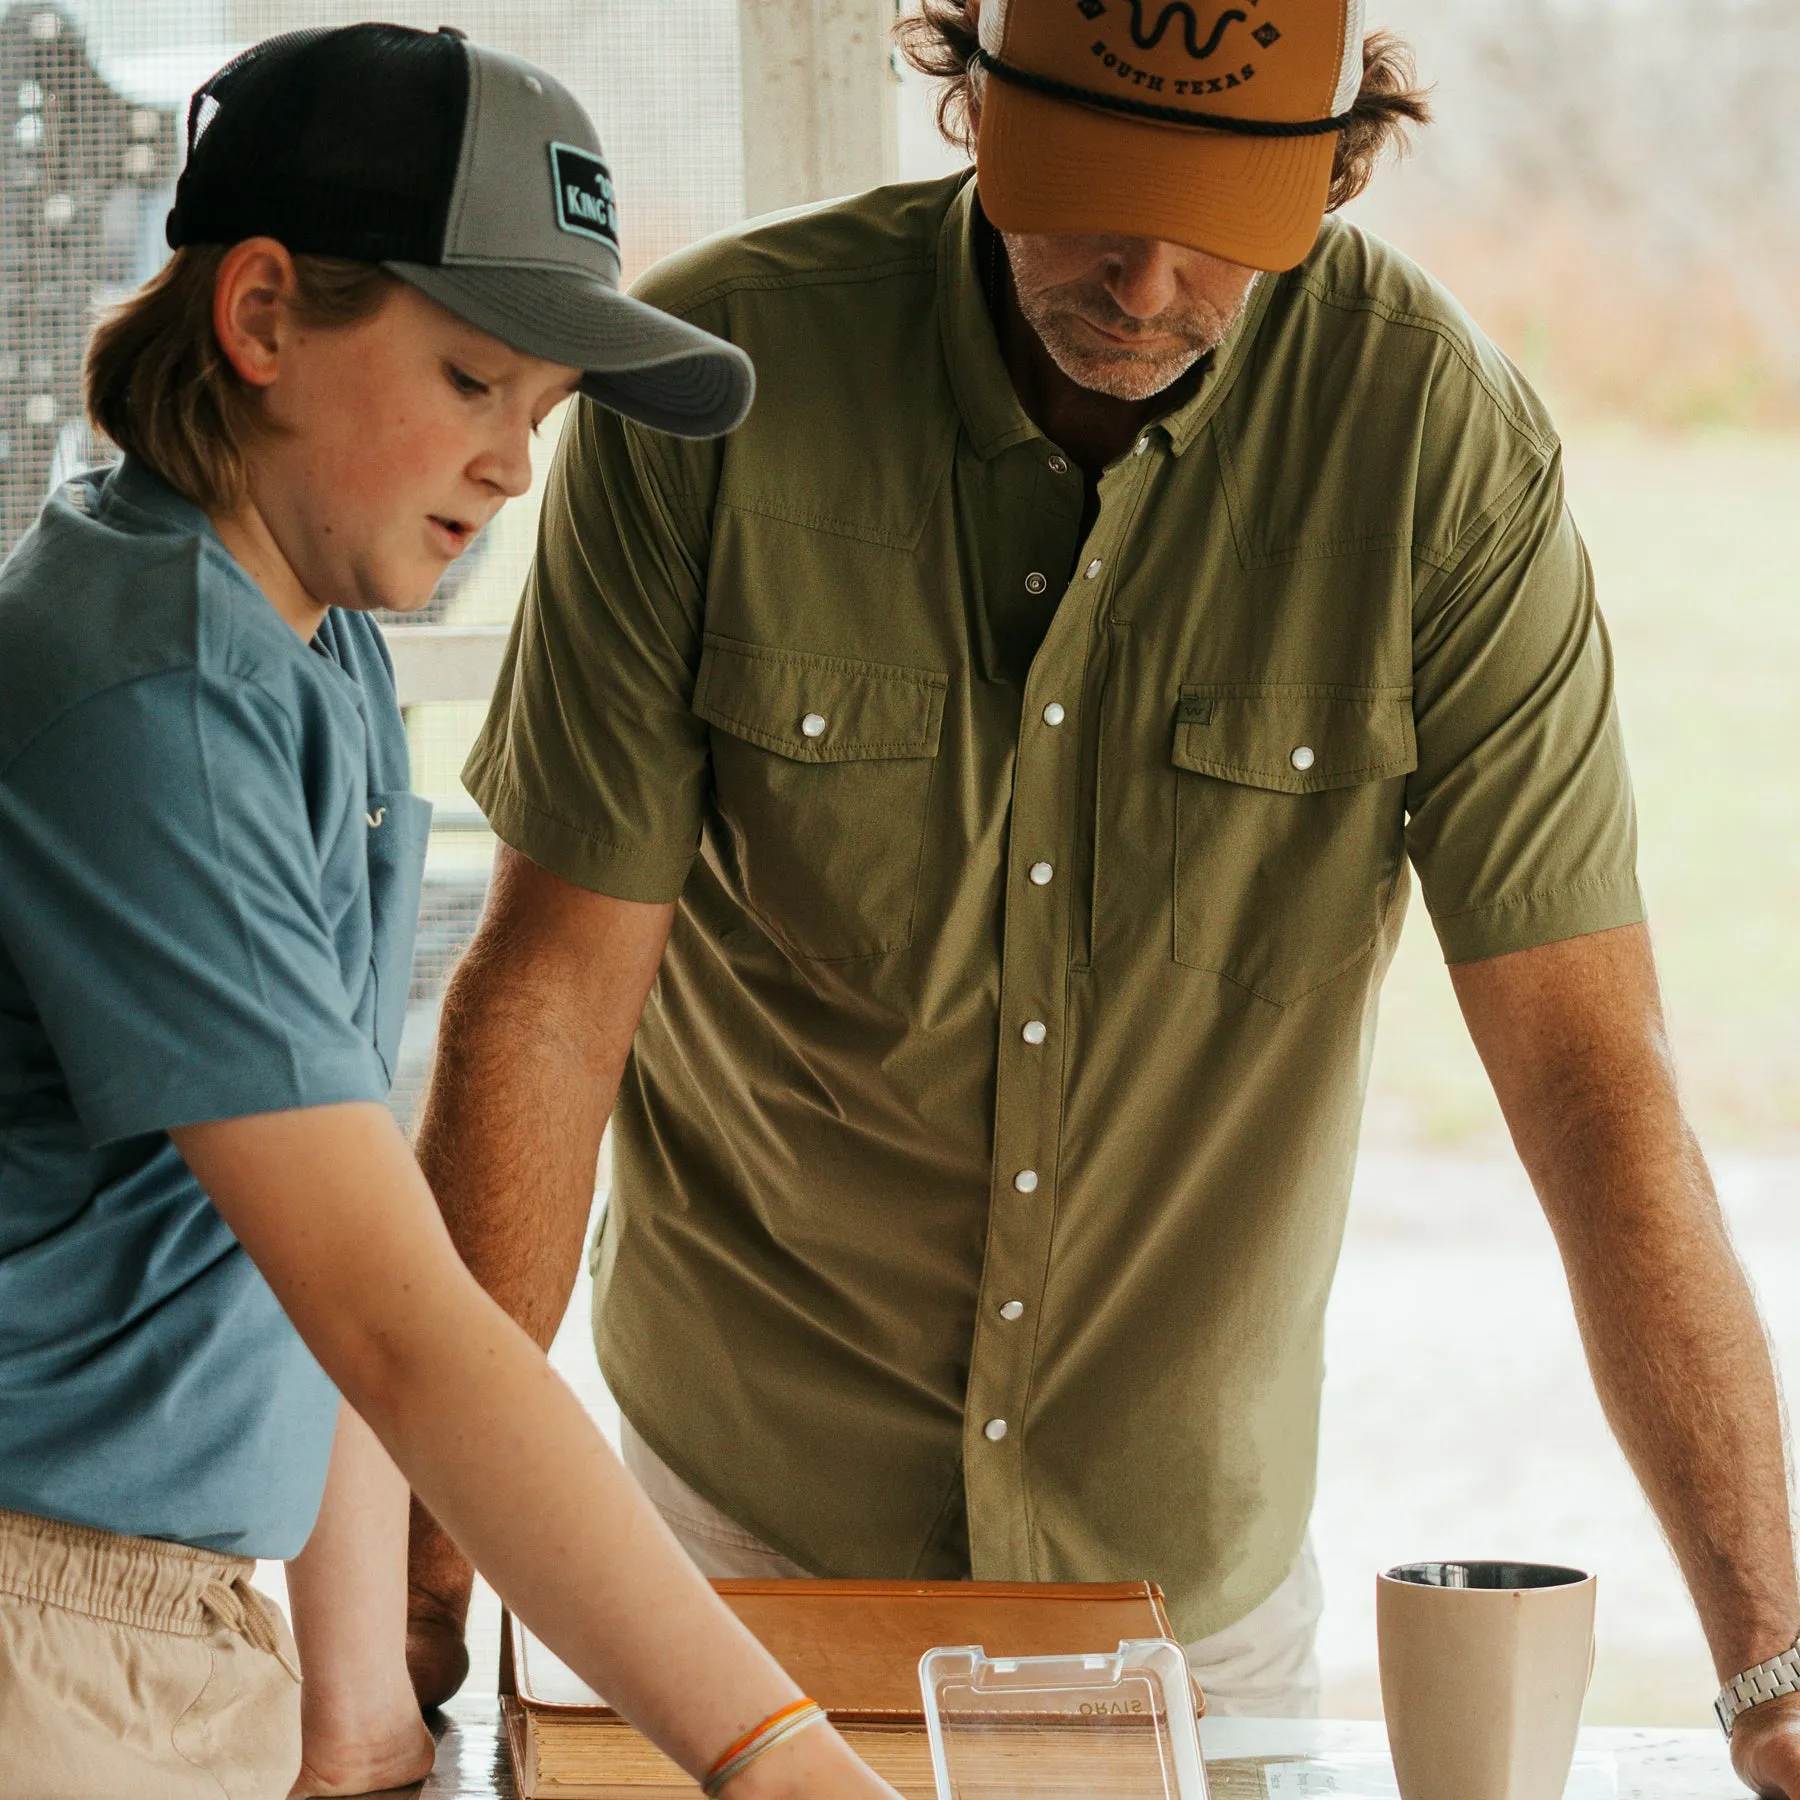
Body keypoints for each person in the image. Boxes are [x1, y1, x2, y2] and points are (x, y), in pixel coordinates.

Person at [406, 0, 1800, 1790]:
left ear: (1335, 168)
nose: (1146, 280)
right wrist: (428, 1590)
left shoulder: (1434, 446)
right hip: (729, 1562)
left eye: (1220, 216)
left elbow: (1591, 1085)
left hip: (1185, 1606)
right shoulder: (713, 382)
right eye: (1097, 200)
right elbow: (549, 1002)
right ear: (971, 104)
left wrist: (1771, 1668)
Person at [0, 23, 901, 1800]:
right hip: (38, 1629)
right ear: (261, 318)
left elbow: (316, 1272)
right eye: (473, 378)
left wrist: (355, 1714)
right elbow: (407, 1328)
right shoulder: (147, 693)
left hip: (165, 1625)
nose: (515, 466)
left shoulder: (308, 648)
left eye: (545, 412)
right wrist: (778, 1757)